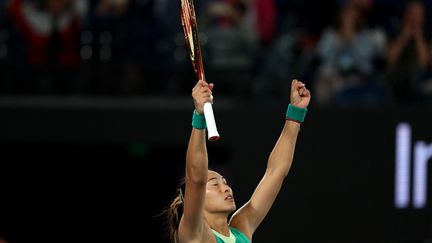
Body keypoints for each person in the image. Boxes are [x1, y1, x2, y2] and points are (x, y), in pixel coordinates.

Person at [167, 79, 311, 242]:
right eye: (215, 183)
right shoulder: (192, 233)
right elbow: (196, 179)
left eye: (224, 182)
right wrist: (199, 117)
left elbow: (275, 172)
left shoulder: (242, 227)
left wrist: (295, 115)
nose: (226, 188)